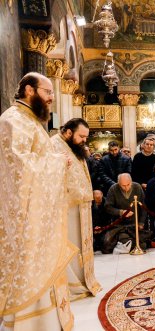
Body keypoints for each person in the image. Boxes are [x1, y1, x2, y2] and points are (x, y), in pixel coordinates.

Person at [0, 72, 76, 330]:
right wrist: (57, 162)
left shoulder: (30, 120)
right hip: (25, 214)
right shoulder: (13, 120)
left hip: (38, 210)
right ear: (30, 90)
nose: (52, 98)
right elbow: (19, 168)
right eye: (48, 92)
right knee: (30, 264)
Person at [51, 118, 102, 301]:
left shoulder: (73, 148)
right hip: (67, 207)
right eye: (81, 136)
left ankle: (83, 280)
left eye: (86, 137)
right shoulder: (54, 146)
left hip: (81, 206)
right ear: (69, 132)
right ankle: (71, 284)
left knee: (81, 246)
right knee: (71, 246)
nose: (84, 141)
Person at [104, 173, 148, 252]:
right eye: (123, 186)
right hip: (120, 226)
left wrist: (141, 223)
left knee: (143, 245)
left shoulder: (137, 187)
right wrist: (121, 212)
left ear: (131, 182)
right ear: (118, 183)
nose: (126, 187)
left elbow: (144, 207)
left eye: (128, 185)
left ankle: (125, 245)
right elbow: (108, 207)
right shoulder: (113, 189)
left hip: (135, 225)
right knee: (124, 239)